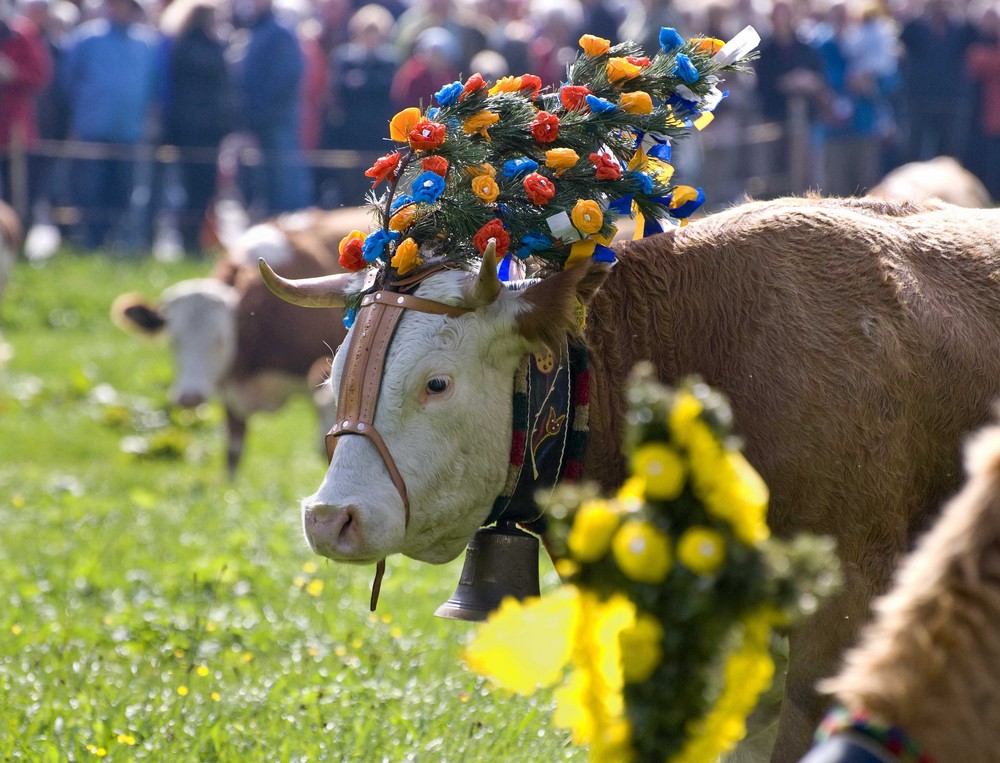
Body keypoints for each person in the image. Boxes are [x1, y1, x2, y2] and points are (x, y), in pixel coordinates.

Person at [59, 0, 156, 250]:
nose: (117, 9)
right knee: (89, 190)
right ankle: (90, 242)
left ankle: (114, 242)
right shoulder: (86, 39)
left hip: (129, 133)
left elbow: (153, 87)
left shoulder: (145, 44)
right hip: (92, 131)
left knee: (122, 191)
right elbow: (67, 81)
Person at [160, 0, 234, 254]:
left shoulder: (184, 45)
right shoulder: (197, 47)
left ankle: (196, 240)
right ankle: (191, 241)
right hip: (198, 132)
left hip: (198, 131)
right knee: (196, 189)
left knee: (200, 189)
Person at [237, 0, 309, 216]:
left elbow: (287, 76)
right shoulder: (256, 30)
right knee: (266, 180)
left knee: (283, 179)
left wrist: (261, 106)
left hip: (276, 119)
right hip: (260, 120)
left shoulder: (280, 31)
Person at [0, 0, 52, 214]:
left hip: (12, 130)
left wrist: (12, 74)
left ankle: (15, 242)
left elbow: (40, 75)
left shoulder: (22, 34)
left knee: (16, 192)